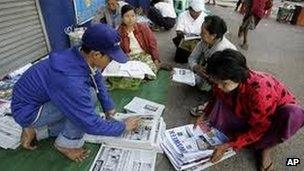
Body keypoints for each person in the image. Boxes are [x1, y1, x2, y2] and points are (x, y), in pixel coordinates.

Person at [11, 24, 141, 162]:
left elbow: (96, 77)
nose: (112, 61)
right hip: (28, 111)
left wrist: (109, 108)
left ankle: (36, 131)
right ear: (96, 54)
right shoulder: (71, 81)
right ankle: (65, 145)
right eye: (111, 57)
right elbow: (90, 124)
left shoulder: (79, 53)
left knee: (85, 102)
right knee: (86, 104)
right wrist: (123, 126)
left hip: (34, 102)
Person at [195, 49, 304, 171]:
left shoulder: (259, 93)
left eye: (224, 83)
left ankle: (266, 148)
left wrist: (227, 145)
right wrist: (204, 114)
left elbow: (259, 128)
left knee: (291, 115)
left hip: (273, 115)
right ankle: (244, 135)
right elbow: (216, 96)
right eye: (217, 82)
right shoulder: (226, 81)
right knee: (231, 127)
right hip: (252, 110)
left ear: (238, 77)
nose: (219, 87)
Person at [106, 5, 171, 90]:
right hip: (128, 58)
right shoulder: (119, 32)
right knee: (122, 75)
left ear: (136, 17)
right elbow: (118, 51)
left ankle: (158, 66)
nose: (130, 19)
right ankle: (141, 75)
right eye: (127, 16)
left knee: (151, 72)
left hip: (142, 55)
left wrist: (156, 59)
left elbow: (152, 44)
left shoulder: (143, 28)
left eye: (133, 16)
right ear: (122, 18)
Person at [188, 15, 237, 116]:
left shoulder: (224, 50)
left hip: (225, 81)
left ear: (213, 35)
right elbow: (191, 58)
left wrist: (210, 78)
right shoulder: (204, 42)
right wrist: (196, 67)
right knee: (200, 85)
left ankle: (212, 105)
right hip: (211, 77)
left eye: (203, 33)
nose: (200, 34)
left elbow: (226, 80)